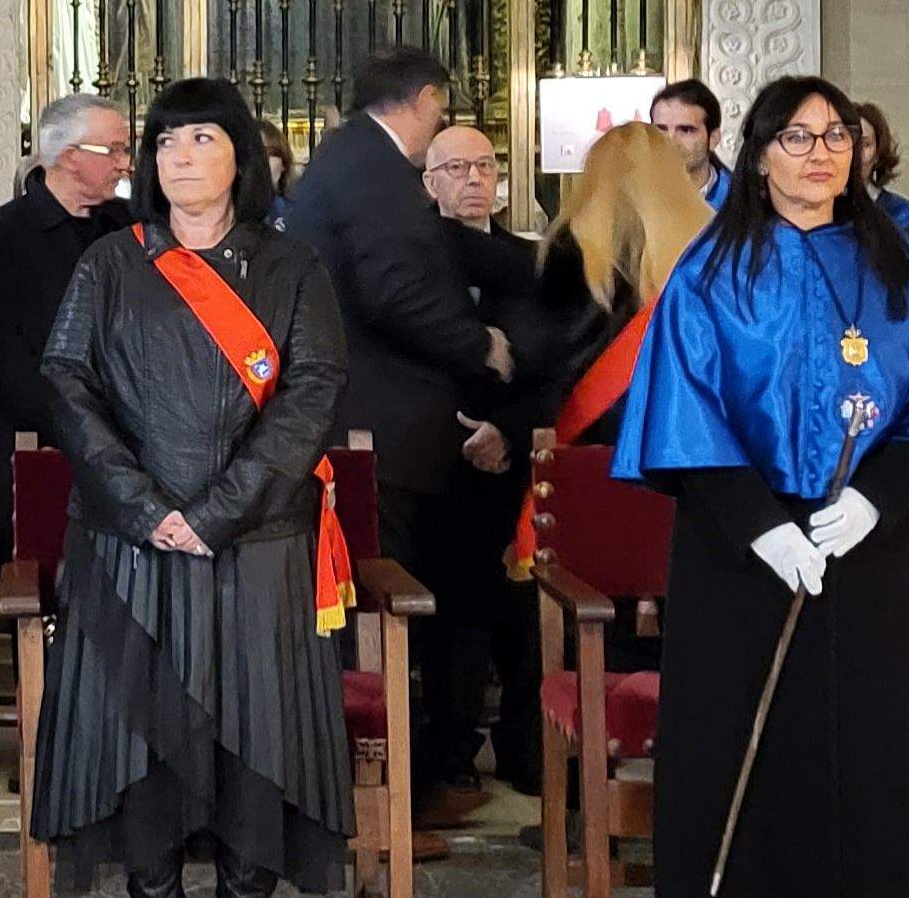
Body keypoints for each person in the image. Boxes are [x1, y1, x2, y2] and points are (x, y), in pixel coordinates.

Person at [615, 76, 909, 898]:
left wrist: (874, 503)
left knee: (857, 737)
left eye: (835, 137)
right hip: (743, 544)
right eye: (796, 136)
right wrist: (764, 525)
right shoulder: (710, 272)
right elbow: (684, 416)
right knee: (761, 729)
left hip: (862, 536)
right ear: (759, 151)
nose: (818, 153)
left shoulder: (904, 267)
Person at [33, 77, 353, 898]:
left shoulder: (294, 269)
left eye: (202, 139)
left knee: (254, 735)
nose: (180, 156)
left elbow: (312, 399)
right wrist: (140, 506)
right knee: (148, 734)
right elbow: (67, 382)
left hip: (255, 544)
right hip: (131, 545)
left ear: (241, 160)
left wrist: (217, 512)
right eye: (166, 142)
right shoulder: (110, 263)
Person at [282, 49, 509, 785]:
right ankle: (374, 792)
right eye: (441, 110)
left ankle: (392, 785)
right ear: (425, 99)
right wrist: (480, 346)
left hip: (376, 426)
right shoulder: (376, 173)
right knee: (374, 615)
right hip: (374, 429)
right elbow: (392, 292)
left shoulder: (349, 160)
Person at [502, 124, 710, 678]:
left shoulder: (567, 256)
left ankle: (554, 750)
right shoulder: (711, 262)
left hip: (583, 454)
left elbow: (535, 360)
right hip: (678, 460)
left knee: (568, 606)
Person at [416, 121, 537, 814]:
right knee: (450, 621)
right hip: (436, 465)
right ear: (429, 183)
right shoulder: (411, 270)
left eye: (484, 167)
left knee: (522, 615)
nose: (472, 181)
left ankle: (526, 750)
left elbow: (553, 369)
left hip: (516, 464)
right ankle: (452, 755)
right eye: (456, 169)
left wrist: (508, 431)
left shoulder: (531, 266)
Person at [0, 96, 137, 570]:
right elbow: (4, 357)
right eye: (115, 151)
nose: (125, 166)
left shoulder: (128, 230)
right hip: (36, 441)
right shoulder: (2, 237)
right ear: (68, 157)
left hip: (123, 444)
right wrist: (80, 426)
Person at [650, 78, 729, 206]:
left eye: (686, 130)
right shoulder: (629, 202)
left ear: (713, 139)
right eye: (661, 130)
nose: (670, 141)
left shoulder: (743, 205)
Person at [855, 104, 909, 231]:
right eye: (848, 142)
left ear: (878, 153)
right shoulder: (816, 217)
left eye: (865, 144)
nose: (856, 153)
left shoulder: (906, 218)